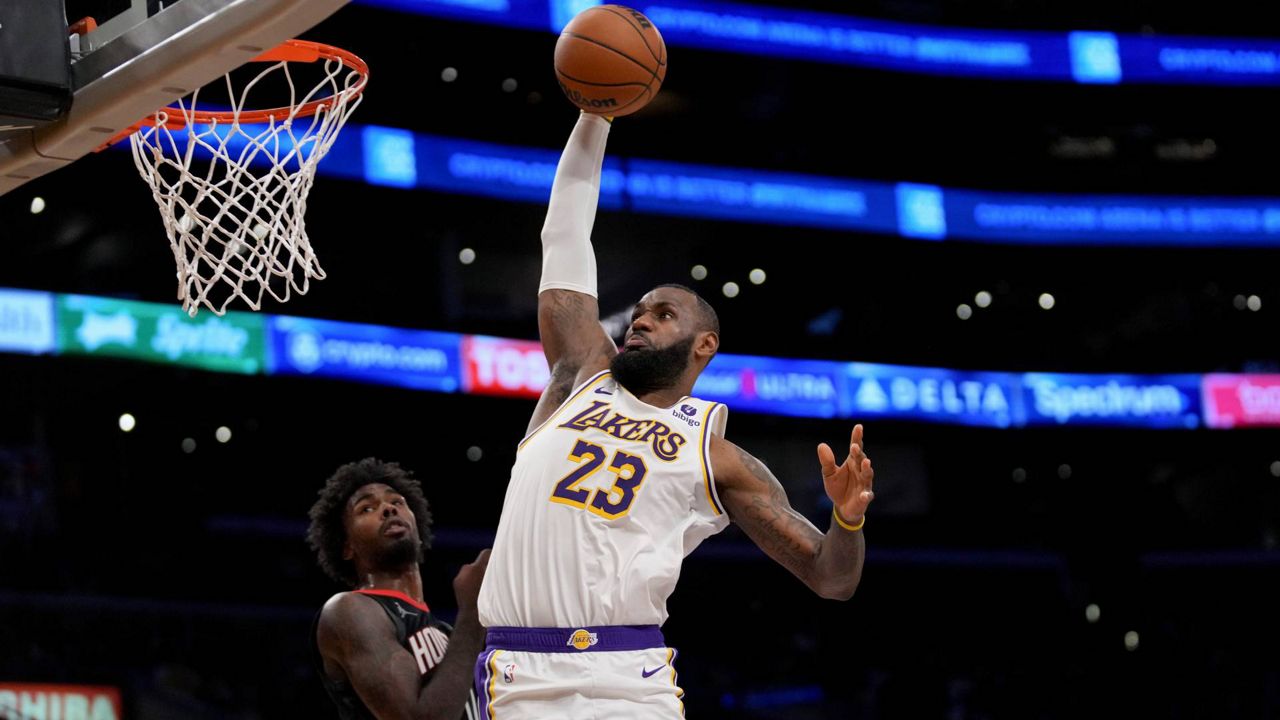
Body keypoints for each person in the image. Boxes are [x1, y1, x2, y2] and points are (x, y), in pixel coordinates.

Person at [474, 113, 877, 718]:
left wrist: (847, 521)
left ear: (705, 345)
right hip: (522, 670)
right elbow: (563, 235)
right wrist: (596, 115)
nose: (639, 319)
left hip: (633, 677)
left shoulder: (716, 454)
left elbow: (831, 579)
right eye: (639, 310)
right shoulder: (580, 375)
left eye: (663, 314)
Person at [308, 457, 488, 720]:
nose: (388, 509)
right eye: (366, 508)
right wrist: (474, 611)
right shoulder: (348, 611)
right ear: (346, 546)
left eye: (397, 502)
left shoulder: (450, 635)